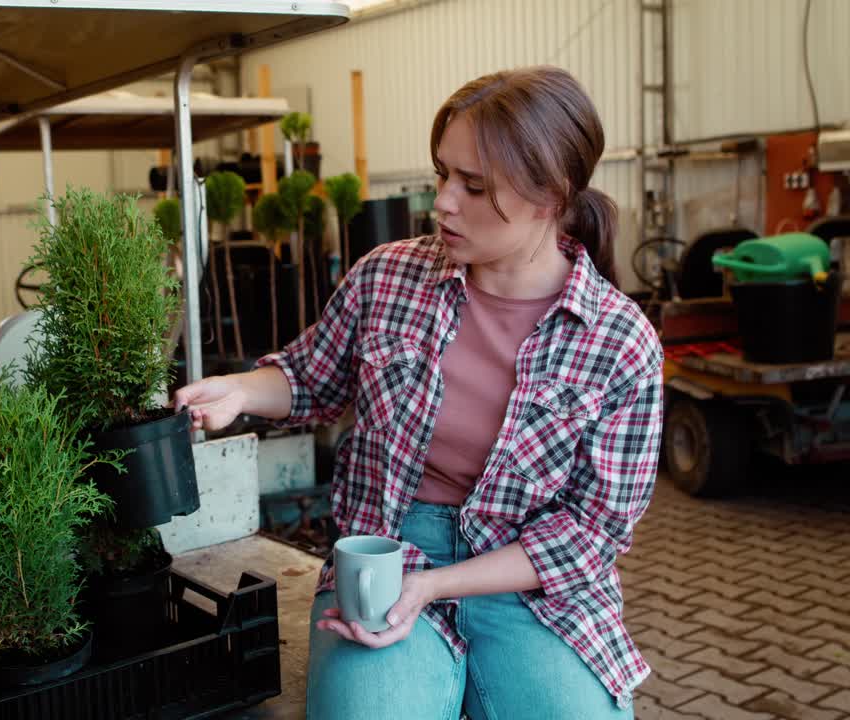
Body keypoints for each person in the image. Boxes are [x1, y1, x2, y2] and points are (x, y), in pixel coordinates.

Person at [174, 66, 662, 719]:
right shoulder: (389, 277)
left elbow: (591, 533)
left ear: (552, 193)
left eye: (474, 185)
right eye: (443, 174)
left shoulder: (621, 343)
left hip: (530, 579)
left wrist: (438, 586)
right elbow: (309, 377)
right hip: (390, 552)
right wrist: (238, 390)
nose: (444, 202)